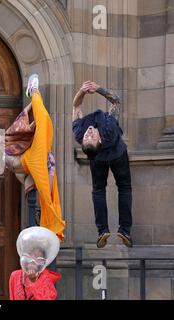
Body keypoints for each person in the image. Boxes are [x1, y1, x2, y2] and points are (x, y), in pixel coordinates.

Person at [0, 74, 65, 240]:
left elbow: (45, 191)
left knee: (42, 122)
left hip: (32, 161)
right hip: (31, 161)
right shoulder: (34, 155)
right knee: (43, 121)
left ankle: (33, 92)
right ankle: (33, 92)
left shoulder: (32, 159)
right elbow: (46, 190)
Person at [72, 81, 133, 248]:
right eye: (90, 136)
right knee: (124, 187)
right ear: (100, 139)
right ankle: (124, 230)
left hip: (98, 158)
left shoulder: (79, 132)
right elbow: (117, 102)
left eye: (87, 137)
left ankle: (103, 230)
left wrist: (82, 91)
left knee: (98, 189)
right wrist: (99, 89)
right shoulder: (109, 129)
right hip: (118, 155)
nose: (89, 132)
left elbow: (76, 106)